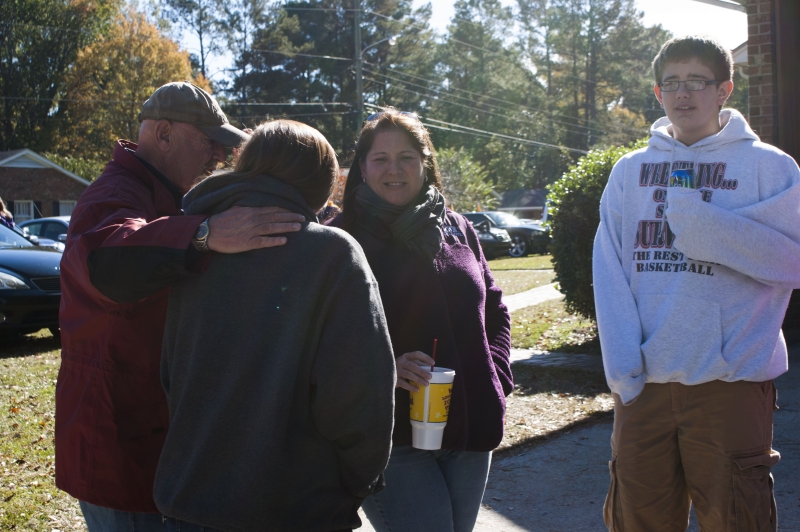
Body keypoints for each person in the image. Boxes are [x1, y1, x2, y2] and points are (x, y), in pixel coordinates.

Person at [55, 82, 306, 530]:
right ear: (165, 135)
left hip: (151, 436)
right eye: (209, 141)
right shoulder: (113, 193)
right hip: (119, 446)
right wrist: (204, 234)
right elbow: (107, 263)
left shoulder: (167, 195)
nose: (220, 156)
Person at [593, 36, 800, 531]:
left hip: (731, 384)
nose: (683, 94)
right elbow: (609, 272)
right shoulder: (630, 171)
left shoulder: (770, 168)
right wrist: (623, 370)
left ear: (724, 89)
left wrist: (703, 226)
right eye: (671, 83)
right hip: (644, 384)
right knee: (638, 520)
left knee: (736, 519)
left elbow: (792, 263)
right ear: (658, 93)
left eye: (697, 82)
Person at [153, 119, 396, 532]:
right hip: (295, 510)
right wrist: (356, 483)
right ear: (320, 186)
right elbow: (360, 394)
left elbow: (171, 373)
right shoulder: (332, 254)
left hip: (188, 500)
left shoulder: (200, 242)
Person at [329, 108, 512, 532]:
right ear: (361, 168)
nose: (394, 169)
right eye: (380, 159)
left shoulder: (458, 228)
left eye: (406, 157)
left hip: (469, 424)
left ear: (425, 162)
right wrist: (385, 368)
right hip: (389, 435)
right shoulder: (340, 240)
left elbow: (494, 307)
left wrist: (497, 373)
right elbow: (318, 338)